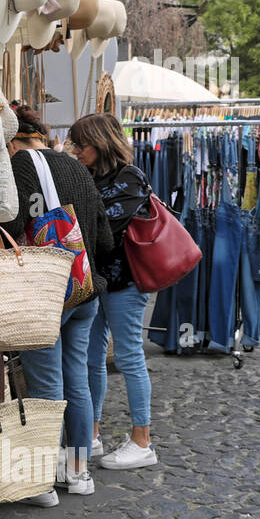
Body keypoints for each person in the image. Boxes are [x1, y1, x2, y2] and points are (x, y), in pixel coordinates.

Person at [4, 106, 113, 501]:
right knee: (76, 381)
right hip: (83, 290)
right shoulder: (76, 167)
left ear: (12, 140)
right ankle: (79, 474)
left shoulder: (20, 166)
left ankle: (43, 482)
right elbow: (105, 240)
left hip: (45, 293)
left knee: (46, 385)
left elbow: (11, 229)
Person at [70, 112, 158, 471]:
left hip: (125, 282)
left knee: (128, 357)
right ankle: (91, 433)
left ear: (100, 143)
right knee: (92, 358)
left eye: (82, 144)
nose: (76, 150)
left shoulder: (129, 177)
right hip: (96, 281)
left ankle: (143, 441)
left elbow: (106, 229)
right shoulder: (90, 175)